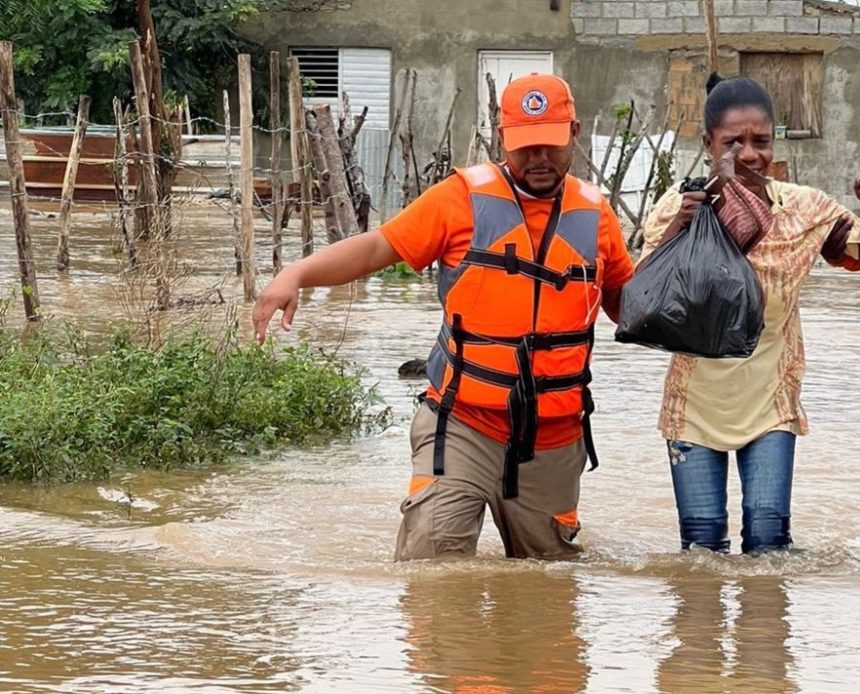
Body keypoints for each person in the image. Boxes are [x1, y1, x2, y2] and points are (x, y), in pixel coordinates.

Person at [252, 74, 635, 561]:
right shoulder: (459, 199)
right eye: (525, 146)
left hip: (554, 434)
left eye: (551, 145)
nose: (539, 158)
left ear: (574, 133)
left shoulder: (596, 215)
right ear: (501, 139)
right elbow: (375, 248)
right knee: (431, 564)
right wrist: (297, 273)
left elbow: (629, 304)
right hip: (463, 422)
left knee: (551, 582)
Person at [638, 74, 860, 554]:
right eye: (733, 142)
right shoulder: (680, 206)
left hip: (771, 404)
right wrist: (681, 227)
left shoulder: (803, 208)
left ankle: (763, 631)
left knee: (769, 544)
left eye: (761, 141)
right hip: (692, 407)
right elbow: (642, 295)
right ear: (708, 144)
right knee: (700, 549)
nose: (749, 154)